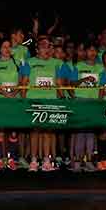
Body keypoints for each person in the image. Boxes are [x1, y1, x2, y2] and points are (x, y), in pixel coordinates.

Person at [19, 37, 67, 171]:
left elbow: (59, 84)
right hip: (34, 100)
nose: (46, 49)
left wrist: (62, 100)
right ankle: (33, 161)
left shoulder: (57, 63)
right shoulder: (29, 62)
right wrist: (23, 101)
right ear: (37, 49)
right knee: (34, 132)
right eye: (43, 46)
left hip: (50, 101)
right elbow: (24, 83)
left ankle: (47, 160)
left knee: (48, 131)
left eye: (48, 46)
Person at [69, 45, 104, 172]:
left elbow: (102, 86)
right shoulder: (77, 66)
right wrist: (84, 79)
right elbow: (72, 83)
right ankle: (77, 162)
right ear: (85, 52)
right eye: (90, 50)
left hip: (94, 102)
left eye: (95, 50)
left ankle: (89, 161)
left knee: (90, 133)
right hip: (80, 101)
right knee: (80, 132)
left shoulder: (101, 68)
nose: (92, 52)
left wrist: (100, 102)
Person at [0, 40, 25, 168]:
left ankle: (12, 158)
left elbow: (22, 81)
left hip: (14, 100)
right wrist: (5, 94)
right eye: (4, 47)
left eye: (9, 46)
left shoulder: (17, 63)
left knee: (13, 131)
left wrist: (14, 93)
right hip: (1, 100)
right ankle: (0, 158)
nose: (7, 49)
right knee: (0, 131)